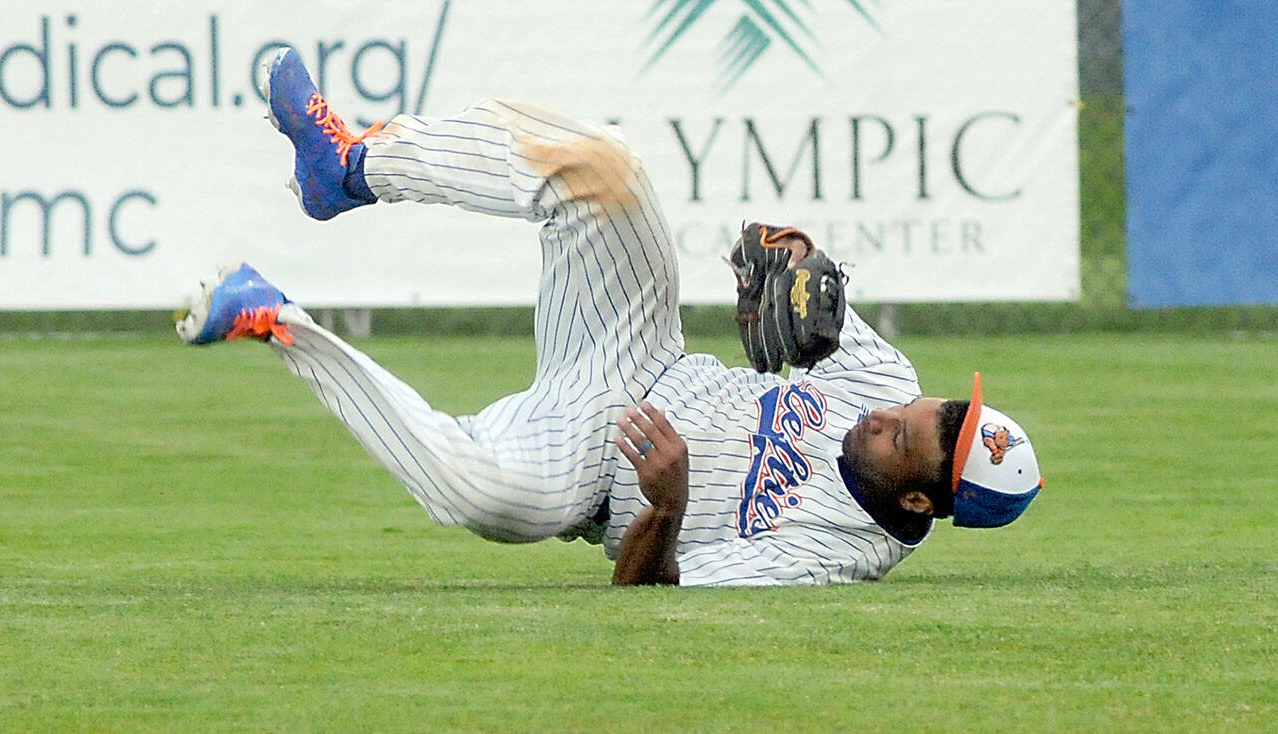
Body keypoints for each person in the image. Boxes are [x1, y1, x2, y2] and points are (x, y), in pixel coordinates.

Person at [176, 48, 1043, 586]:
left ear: (920, 497)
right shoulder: (886, 386)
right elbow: (788, 269)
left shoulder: (831, 550)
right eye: (932, 409)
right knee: (605, 168)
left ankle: (274, 319)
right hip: (644, 353)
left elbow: (649, 588)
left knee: (480, 494)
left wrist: (666, 505)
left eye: (908, 438)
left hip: (594, 469)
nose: (893, 415)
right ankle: (351, 168)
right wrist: (782, 260)